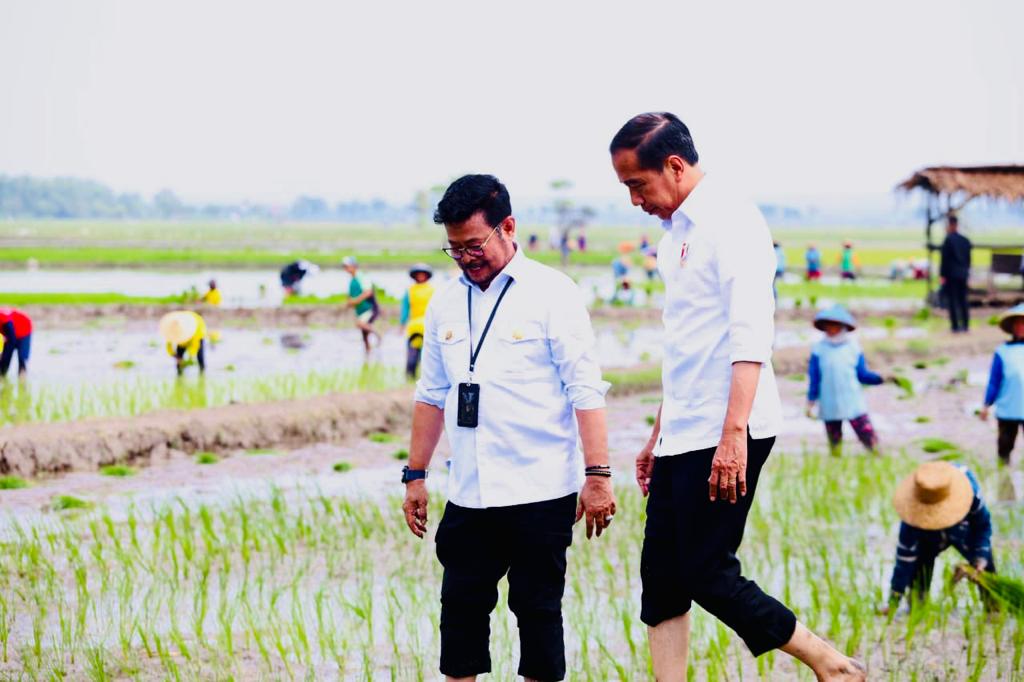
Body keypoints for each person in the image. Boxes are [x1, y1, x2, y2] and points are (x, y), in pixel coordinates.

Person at [609, 112, 865, 681]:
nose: (634, 200)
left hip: (729, 426)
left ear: (674, 166)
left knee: (708, 573)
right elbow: (687, 349)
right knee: (662, 576)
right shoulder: (673, 238)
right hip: (684, 426)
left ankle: (833, 666)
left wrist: (733, 438)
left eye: (638, 185)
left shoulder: (731, 222)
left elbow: (750, 338)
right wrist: (658, 435)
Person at [401, 174, 615, 682]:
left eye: (474, 245)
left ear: (509, 227)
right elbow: (431, 395)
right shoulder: (445, 302)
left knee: (538, 613)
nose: (465, 258)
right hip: (469, 490)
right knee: (459, 612)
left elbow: (585, 391)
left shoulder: (553, 294)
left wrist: (598, 476)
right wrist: (415, 476)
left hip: (540, 490)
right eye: (455, 249)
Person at [881, 461, 994, 612]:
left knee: (987, 571)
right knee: (918, 580)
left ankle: (993, 607)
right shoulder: (912, 517)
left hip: (963, 530)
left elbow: (982, 526)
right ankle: (917, 605)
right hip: (928, 538)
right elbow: (904, 559)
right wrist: (893, 600)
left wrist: (981, 559)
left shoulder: (969, 493)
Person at [806, 305, 891, 456]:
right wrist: (811, 401)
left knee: (867, 435)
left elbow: (862, 375)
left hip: (852, 400)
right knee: (834, 440)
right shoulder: (818, 349)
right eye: (828, 325)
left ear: (843, 327)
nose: (831, 329)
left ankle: (879, 458)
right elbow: (815, 377)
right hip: (829, 400)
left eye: (835, 325)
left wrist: (881, 378)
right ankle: (836, 461)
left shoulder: (853, 348)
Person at [979, 303, 1024, 465]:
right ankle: (1004, 473)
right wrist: (986, 405)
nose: (1020, 327)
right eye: (1017, 324)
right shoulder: (1002, 351)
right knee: (1005, 446)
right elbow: (994, 381)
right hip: (1008, 408)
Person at [400, 263, 436, 380]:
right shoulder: (410, 291)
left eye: (422, 274)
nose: (420, 277)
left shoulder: (432, 290)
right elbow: (405, 309)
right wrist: (402, 324)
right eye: (418, 275)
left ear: (427, 276)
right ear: (414, 276)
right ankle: (410, 377)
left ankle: (427, 378)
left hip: (429, 326)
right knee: (412, 354)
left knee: (429, 355)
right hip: (414, 327)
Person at [940, 213, 972, 333]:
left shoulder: (948, 240)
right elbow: (969, 260)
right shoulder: (965, 240)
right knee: (963, 299)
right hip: (963, 275)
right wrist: (967, 272)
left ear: (951, 225)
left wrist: (942, 275)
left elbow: (945, 260)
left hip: (951, 275)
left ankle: (955, 326)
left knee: (953, 300)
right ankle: (965, 325)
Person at [342, 256, 380, 355]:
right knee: (364, 335)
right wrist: (349, 303)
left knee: (361, 324)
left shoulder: (362, 277)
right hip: (360, 310)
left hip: (369, 307)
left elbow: (368, 292)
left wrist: (355, 301)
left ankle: (378, 335)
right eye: (345, 267)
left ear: (354, 266)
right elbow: (351, 296)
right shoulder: (352, 280)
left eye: (348, 266)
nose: (346, 269)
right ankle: (368, 353)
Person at [159, 310, 207, 376]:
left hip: (198, 335)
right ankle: (179, 374)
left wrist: (190, 357)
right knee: (179, 356)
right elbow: (169, 346)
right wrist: (176, 356)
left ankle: (202, 372)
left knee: (200, 357)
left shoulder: (196, 329)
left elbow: (194, 346)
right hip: (182, 333)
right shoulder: (171, 330)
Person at [0, 307, 32, 378]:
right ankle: (2, 376)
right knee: (5, 356)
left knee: (22, 357)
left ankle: (22, 378)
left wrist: (3, 354)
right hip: (9, 331)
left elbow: (11, 340)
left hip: (24, 329)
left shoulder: (4, 318)